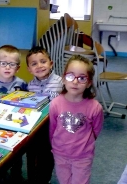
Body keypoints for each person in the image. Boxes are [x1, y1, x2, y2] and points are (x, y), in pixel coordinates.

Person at [49, 55, 104, 184]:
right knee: (64, 181)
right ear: (63, 78)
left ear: (89, 82)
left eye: (82, 78)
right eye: (70, 76)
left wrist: (84, 145)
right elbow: (52, 128)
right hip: (60, 153)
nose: (75, 82)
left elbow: (96, 130)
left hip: (83, 156)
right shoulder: (56, 103)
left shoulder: (95, 107)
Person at [25, 46, 63, 184]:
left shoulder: (60, 82)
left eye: (43, 61)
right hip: (35, 126)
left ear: (51, 63)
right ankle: (31, 178)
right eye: (34, 64)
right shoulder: (30, 86)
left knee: (47, 155)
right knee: (31, 152)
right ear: (29, 69)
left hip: (52, 127)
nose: (39, 66)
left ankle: (43, 180)